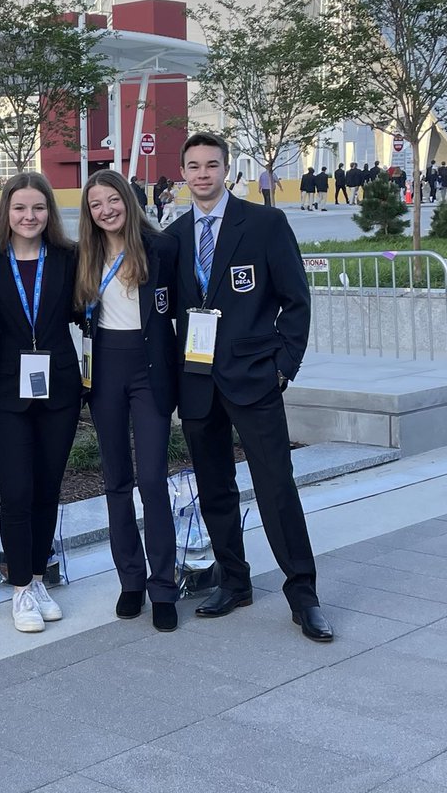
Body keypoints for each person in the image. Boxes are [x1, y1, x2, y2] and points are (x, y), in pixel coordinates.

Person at [167, 132, 332, 643]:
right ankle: (234, 581)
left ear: (227, 170)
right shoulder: (171, 238)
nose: (201, 174)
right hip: (197, 381)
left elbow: (295, 299)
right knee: (214, 487)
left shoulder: (263, 224)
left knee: (275, 487)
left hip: (254, 377)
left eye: (211, 165)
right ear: (182, 174)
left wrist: (284, 364)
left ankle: (303, 594)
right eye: (192, 166)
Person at [0, 173, 82, 633]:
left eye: (38, 208)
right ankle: (20, 588)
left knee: (48, 488)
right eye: (20, 208)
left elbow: (92, 308)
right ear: (7, 213)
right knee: (17, 490)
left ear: (49, 213)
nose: (29, 217)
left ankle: (38, 577)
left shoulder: (69, 258)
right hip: (5, 394)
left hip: (58, 387)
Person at [75, 170, 180, 632]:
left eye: (112, 200)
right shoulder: (84, 256)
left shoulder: (161, 249)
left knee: (153, 480)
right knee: (116, 479)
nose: (106, 210)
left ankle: (162, 585)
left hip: (149, 368)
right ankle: (131, 581)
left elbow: (184, 306)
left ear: (128, 199)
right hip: (105, 371)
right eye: (96, 205)